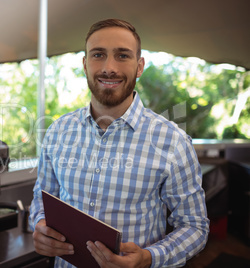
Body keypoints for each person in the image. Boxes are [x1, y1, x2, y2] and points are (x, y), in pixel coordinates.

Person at [29, 18, 209, 268]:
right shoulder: (58, 131)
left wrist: (148, 258)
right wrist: (39, 225)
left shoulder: (173, 141)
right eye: (98, 54)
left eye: (122, 56)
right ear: (85, 63)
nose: (109, 67)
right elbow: (42, 196)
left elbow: (195, 227)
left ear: (139, 66)